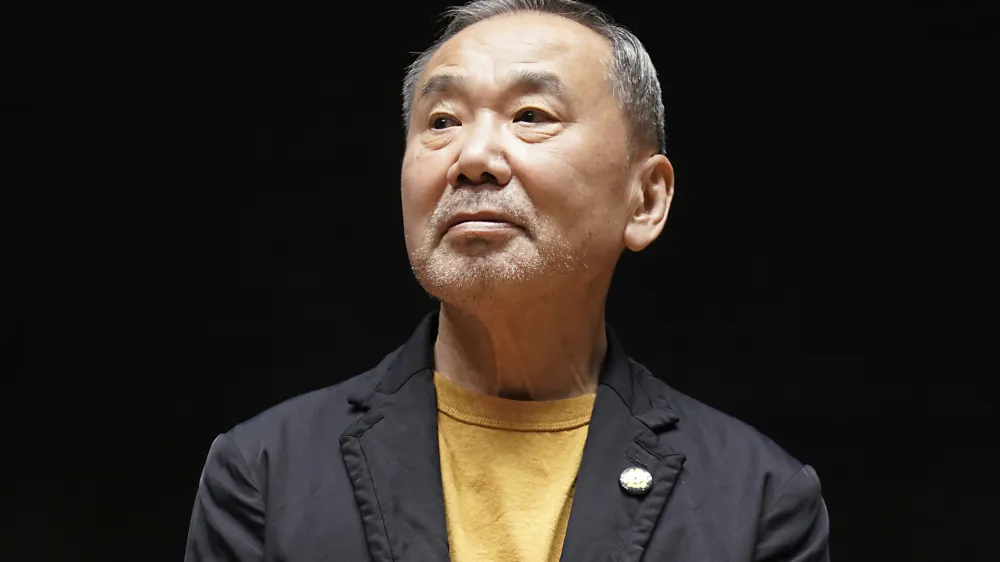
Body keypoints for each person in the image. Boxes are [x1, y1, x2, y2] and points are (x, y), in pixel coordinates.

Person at [184, 1, 831, 560]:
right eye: (441, 122)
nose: (472, 159)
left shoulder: (756, 501)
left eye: (530, 114)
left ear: (645, 200)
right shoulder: (267, 475)